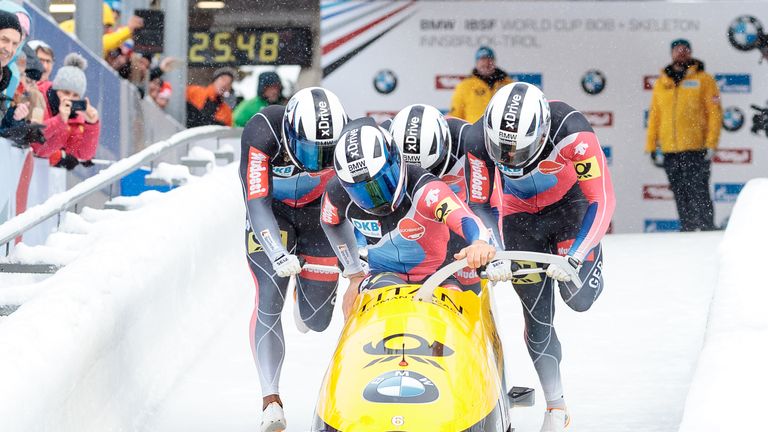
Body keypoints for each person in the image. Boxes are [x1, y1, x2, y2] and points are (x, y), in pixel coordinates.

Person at [463, 82, 615, 431]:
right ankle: (556, 406)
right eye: (502, 151)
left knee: (578, 298)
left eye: (519, 150)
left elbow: (601, 198)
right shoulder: (477, 140)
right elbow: (480, 204)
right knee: (537, 318)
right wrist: (497, 250)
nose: (510, 159)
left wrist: (577, 254)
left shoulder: (572, 132)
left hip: (571, 210)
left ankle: (588, 260)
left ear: (542, 132)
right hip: (520, 219)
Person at [320, 117, 509, 321]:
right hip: (382, 276)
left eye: (382, 183)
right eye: (362, 192)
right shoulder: (336, 194)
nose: (377, 198)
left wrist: (479, 243)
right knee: (383, 305)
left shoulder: (425, 189)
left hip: (437, 276)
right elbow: (330, 223)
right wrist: (354, 274)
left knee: (456, 313)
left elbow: (464, 218)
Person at [238, 87, 348, 432]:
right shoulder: (262, 132)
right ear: (290, 133)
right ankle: (270, 399)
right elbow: (256, 203)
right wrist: (276, 252)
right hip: (273, 213)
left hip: (318, 213)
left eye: (325, 153)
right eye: (310, 150)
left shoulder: (347, 135)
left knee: (317, 320)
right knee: (269, 297)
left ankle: (306, 290)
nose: (317, 161)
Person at [386, 103, 508, 290]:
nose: (420, 177)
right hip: (416, 221)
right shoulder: (383, 142)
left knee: (467, 289)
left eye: (428, 170)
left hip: (463, 218)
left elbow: (488, 202)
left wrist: (494, 249)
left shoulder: (469, 141)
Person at [646, 39, 721, 232]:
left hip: (696, 147)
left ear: (690, 52)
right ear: (671, 53)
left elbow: (714, 114)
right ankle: (687, 228)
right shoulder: (662, 82)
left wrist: (711, 143)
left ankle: (707, 228)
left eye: (684, 50)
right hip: (670, 149)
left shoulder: (704, 79)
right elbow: (655, 116)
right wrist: (651, 146)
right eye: (677, 50)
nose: (681, 53)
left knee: (699, 190)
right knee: (680, 192)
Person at [31, 53, 100, 170]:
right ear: (56, 89)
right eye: (66, 92)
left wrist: (92, 124)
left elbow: (83, 154)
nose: (69, 98)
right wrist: (59, 120)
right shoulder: (39, 96)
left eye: (75, 95)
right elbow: (35, 141)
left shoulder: (76, 116)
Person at [447, 46, 512, 123]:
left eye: (489, 59)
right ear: (477, 63)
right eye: (482, 60)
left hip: (500, 129)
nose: (486, 63)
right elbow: (455, 115)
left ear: (494, 62)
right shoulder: (465, 86)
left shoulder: (508, 84)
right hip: (474, 129)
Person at [59, 3, 144, 57]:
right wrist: (129, 30)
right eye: (107, 26)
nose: (108, 30)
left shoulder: (77, 25)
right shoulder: (75, 27)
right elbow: (103, 42)